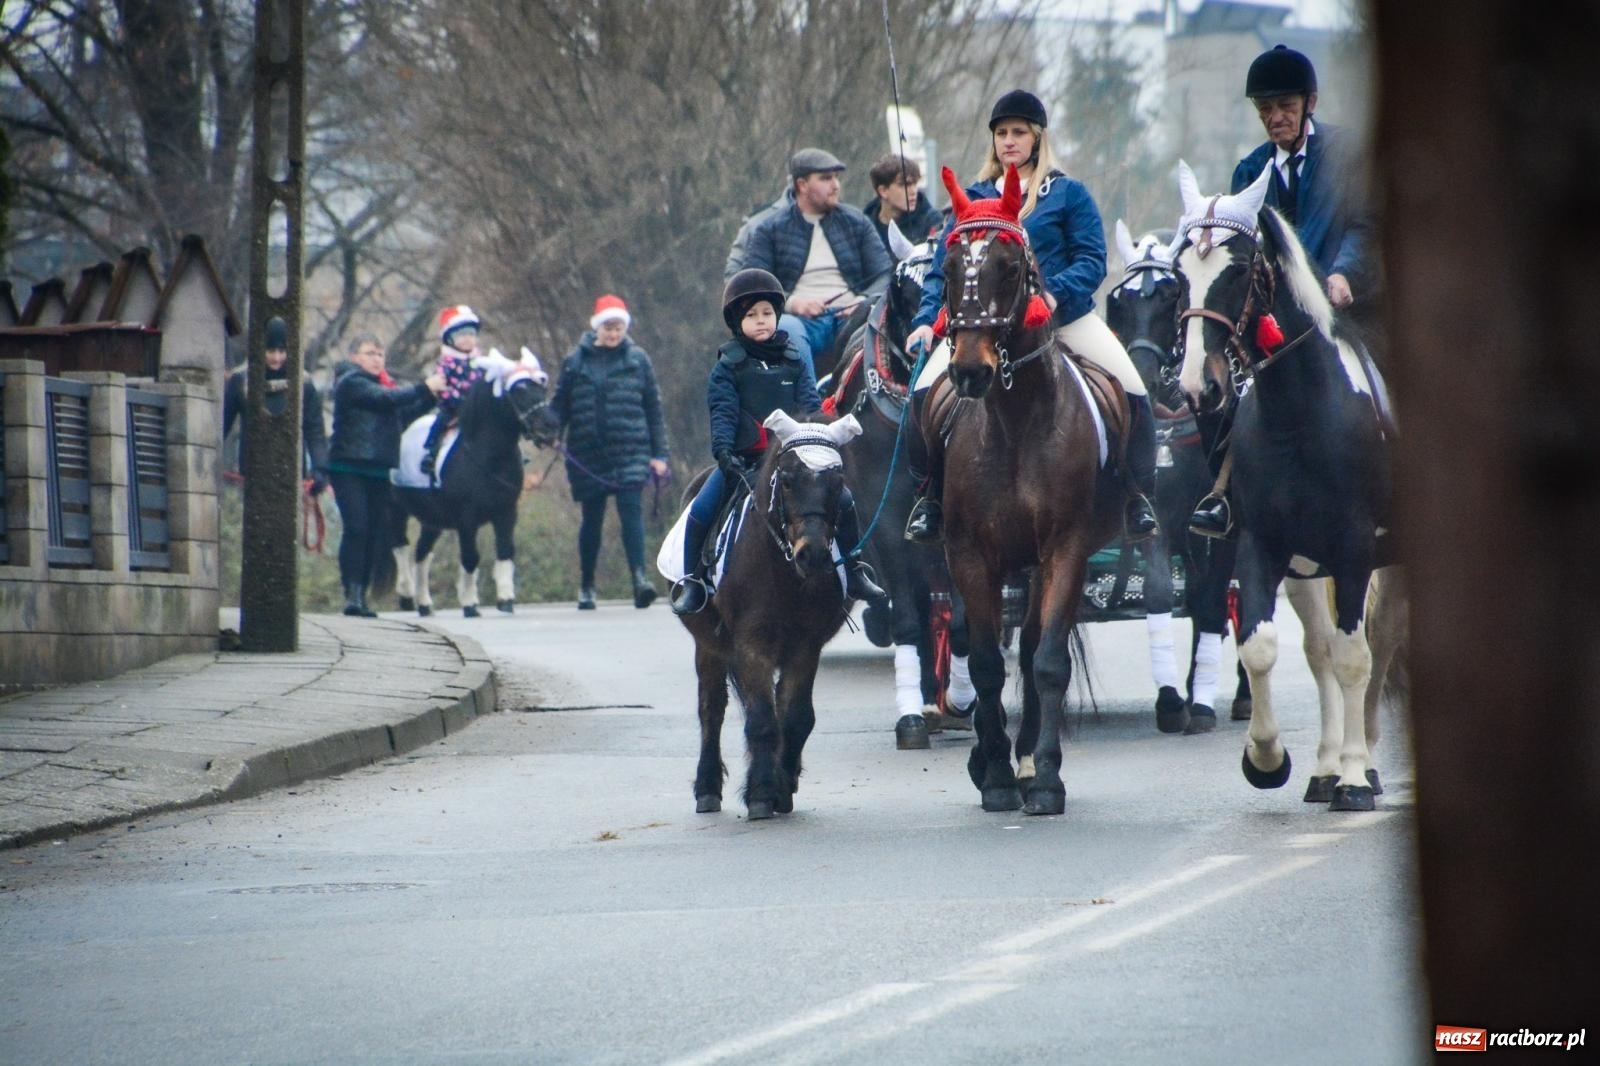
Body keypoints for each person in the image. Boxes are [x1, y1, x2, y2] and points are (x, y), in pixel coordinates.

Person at [902, 89, 1158, 543]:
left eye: (1018, 132)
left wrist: (1057, 295)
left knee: (1132, 388)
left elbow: (1091, 258)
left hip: (1063, 319)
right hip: (982, 326)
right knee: (923, 392)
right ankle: (929, 498)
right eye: (1001, 133)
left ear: (1037, 137)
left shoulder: (1066, 193)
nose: (1009, 141)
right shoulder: (972, 197)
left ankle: (1137, 494)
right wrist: (928, 318)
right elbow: (945, 269)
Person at [1189, 44, 1377, 538]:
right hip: (1279, 321)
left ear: (1309, 103)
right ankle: (1223, 495)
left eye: (1285, 108)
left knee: (1395, 375)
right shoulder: (1249, 171)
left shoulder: (1345, 155)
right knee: (1229, 391)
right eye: (1265, 110)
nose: (1275, 118)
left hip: (1345, 307)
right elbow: (1239, 250)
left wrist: (1344, 275)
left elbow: (1364, 224)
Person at [668, 269, 887, 616]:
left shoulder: (794, 359)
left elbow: (811, 411)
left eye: (767, 313)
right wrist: (725, 453)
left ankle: (854, 570)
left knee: (844, 500)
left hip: (796, 463)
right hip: (745, 461)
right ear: (737, 321)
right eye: (751, 316)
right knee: (702, 508)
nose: (761, 321)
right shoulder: (727, 367)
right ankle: (694, 580)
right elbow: (723, 413)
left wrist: (820, 446)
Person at [550, 295, 671, 611]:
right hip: (587, 454)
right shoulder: (574, 361)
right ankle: (587, 586)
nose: (613, 333)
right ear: (597, 328)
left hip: (631, 451)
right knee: (592, 519)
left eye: (618, 327)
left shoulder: (638, 360)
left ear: (625, 328)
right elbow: (559, 407)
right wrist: (550, 432)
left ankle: (640, 580)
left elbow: (653, 410)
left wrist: (660, 455)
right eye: (608, 327)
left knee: (631, 513)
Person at [327, 334, 443, 617]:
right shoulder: (350, 382)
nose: (377, 359)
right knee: (357, 528)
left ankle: (362, 593)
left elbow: (405, 412)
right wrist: (423, 386)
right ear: (355, 357)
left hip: (378, 469)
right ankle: (352, 592)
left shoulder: (384, 386)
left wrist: (430, 395)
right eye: (370, 353)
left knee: (375, 532)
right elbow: (385, 399)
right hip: (349, 467)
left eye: (380, 354)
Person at [744, 147, 893, 363]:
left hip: (853, 317)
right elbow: (754, 282)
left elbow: (885, 274)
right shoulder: (770, 229)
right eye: (825, 179)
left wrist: (863, 302)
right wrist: (794, 303)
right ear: (802, 185)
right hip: (799, 320)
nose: (835, 186)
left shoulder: (856, 222)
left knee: (880, 329)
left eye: (836, 178)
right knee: (786, 330)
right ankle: (807, 395)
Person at [223, 315, 329, 495]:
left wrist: (320, 469)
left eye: (282, 350)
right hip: (253, 468)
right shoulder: (240, 381)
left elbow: (315, 430)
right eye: (270, 350)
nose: (276, 357)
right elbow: (222, 424)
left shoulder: (303, 384)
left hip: (292, 469)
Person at [419, 304, 488, 480]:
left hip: (478, 407)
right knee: (440, 422)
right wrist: (451, 396)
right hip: (453, 406)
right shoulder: (448, 361)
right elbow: (440, 381)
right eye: (461, 335)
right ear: (450, 339)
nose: (467, 339)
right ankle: (431, 453)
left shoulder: (480, 361)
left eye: (471, 334)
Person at [864, 153, 941, 252]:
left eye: (915, 184)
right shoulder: (865, 227)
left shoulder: (932, 221)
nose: (913, 191)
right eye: (905, 185)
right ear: (883, 191)